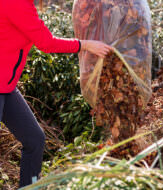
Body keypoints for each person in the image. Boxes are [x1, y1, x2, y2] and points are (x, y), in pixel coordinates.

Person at [0, 0, 112, 187]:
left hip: (6, 87)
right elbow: (46, 43)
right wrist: (85, 44)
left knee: (34, 139)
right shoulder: (16, 3)